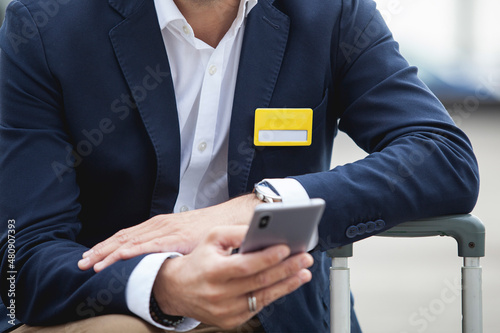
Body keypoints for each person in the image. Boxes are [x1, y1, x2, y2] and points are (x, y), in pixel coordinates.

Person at [0, 0, 479, 332]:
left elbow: (442, 155)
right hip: (108, 309)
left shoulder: (331, 13)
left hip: (278, 310)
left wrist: (259, 208)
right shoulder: (45, 25)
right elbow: (23, 258)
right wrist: (163, 284)